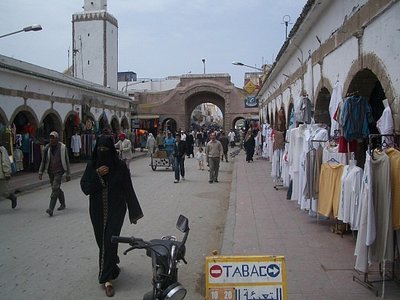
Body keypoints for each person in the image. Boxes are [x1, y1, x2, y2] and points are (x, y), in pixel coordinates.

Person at [80, 134, 143, 297]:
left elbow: (128, 189)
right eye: (100, 149)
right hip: (97, 211)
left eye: (106, 149)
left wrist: (134, 212)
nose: (103, 152)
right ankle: (112, 264)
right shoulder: (92, 166)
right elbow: (85, 188)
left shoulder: (120, 167)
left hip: (116, 210)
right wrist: (97, 174)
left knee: (109, 239)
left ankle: (106, 279)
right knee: (102, 241)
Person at [38, 131, 71, 217]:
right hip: (50, 171)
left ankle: (51, 209)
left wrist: (68, 174)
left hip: (59, 171)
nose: (51, 139)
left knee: (55, 187)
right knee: (56, 188)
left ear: (57, 139)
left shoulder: (63, 147)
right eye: (50, 138)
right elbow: (43, 161)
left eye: (53, 138)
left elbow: (67, 161)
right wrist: (40, 172)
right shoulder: (47, 148)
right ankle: (63, 203)